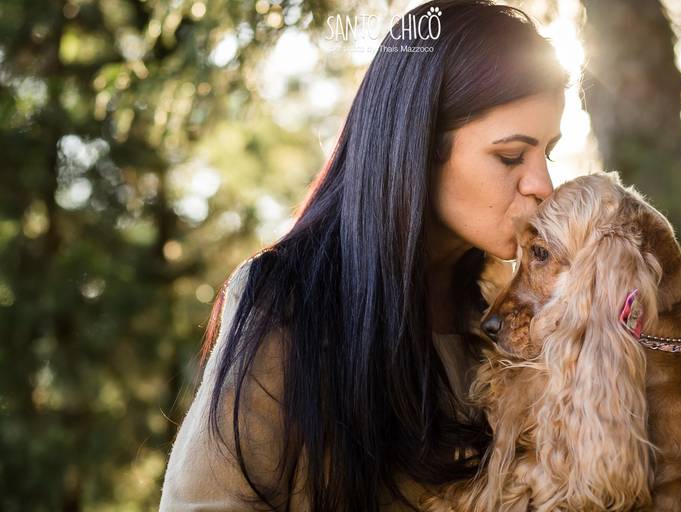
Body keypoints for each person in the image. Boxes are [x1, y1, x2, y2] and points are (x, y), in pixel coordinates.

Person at [159, 0, 567, 510]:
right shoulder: (288, 296)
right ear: (419, 144)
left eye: (547, 153)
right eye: (511, 155)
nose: (542, 185)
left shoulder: (509, 316)